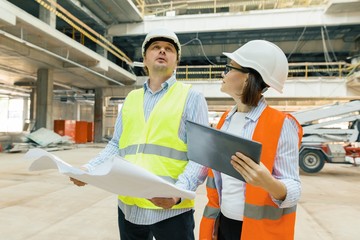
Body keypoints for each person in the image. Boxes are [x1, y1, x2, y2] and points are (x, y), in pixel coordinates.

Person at [70, 28, 209, 240]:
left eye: (169, 49)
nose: (162, 51)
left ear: (176, 61)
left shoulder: (191, 97)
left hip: (171, 211)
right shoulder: (131, 99)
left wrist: (177, 193)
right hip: (129, 207)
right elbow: (116, 145)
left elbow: (200, 156)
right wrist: (88, 169)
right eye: (156, 47)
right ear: (145, 59)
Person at [199, 40, 303, 240]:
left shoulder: (281, 124)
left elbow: (294, 190)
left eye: (228, 68)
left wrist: (269, 183)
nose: (224, 73)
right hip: (222, 224)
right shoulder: (224, 121)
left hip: (258, 232)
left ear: (247, 77)